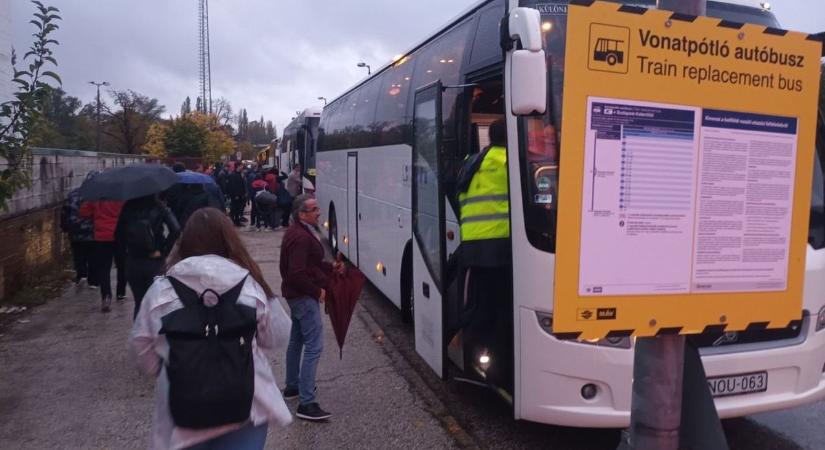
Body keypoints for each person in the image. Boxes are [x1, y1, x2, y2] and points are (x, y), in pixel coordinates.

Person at [130, 208, 292, 450]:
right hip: (246, 403)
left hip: (183, 407)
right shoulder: (249, 283)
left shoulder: (161, 290)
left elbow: (142, 348)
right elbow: (277, 335)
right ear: (229, 239)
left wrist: (170, 365)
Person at [456, 118, 513, 388]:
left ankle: (473, 354)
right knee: (501, 309)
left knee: (479, 304)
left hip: (472, 244)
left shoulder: (471, 160)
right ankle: (497, 368)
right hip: (500, 245)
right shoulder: (510, 162)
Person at [280, 194, 343, 421]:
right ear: (302, 214)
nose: (319, 212)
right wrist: (318, 292)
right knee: (314, 346)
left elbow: (310, 264)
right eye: (314, 209)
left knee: (297, 340)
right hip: (302, 297)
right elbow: (297, 273)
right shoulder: (301, 237)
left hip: (296, 295)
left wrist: (330, 268)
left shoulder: (300, 231)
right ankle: (306, 403)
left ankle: (292, 387)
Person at [116, 194, 181, 319]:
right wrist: (164, 250)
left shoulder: (127, 208)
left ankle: (140, 333)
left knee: (140, 303)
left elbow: (119, 236)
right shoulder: (160, 207)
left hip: (133, 260)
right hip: (155, 261)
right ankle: (156, 333)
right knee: (157, 302)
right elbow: (176, 229)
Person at [79, 199, 124, 312]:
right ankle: (121, 292)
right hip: (120, 235)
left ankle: (106, 296)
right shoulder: (121, 196)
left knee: (104, 268)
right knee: (122, 264)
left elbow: (83, 212)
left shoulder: (96, 196)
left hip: (102, 236)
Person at [60, 172, 98, 289]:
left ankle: (81, 275)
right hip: (92, 232)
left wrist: (64, 227)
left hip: (75, 231)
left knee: (78, 255)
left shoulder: (73, 194)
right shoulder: (97, 196)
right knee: (93, 256)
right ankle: (93, 281)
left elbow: (64, 212)